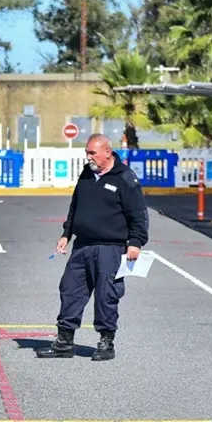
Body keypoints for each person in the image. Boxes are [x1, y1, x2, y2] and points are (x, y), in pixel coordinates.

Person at [37, 133, 149, 361]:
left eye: (92, 153)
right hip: (82, 246)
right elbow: (75, 206)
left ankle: (106, 343)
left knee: (106, 295)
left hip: (110, 248)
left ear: (107, 152)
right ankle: (64, 342)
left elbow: (138, 214)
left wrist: (136, 242)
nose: (88, 157)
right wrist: (66, 234)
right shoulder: (87, 174)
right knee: (70, 290)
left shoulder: (125, 177)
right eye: (87, 152)